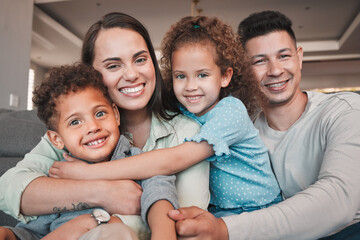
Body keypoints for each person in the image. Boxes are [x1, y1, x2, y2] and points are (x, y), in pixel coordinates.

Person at [0, 12, 210, 240]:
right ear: (91, 73)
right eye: (113, 65)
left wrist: (96, 219)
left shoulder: (186, 131)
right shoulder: (66, 143)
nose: (131, 74)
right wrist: (102, 192)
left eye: (140, 59)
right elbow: (10, 190)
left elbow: (183, 219)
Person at [48, 15, 282, 219]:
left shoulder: (230, 112)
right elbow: (16, 186)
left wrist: (89, 173)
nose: (191, 87)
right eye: (181, 76)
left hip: (257, 211)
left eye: (202, 75)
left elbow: (174, 159)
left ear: (225, 76)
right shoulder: (183, 109)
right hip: (219, 211)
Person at [162, 10, 360, 240]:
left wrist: (225, 228)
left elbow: (339, 202)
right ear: (245, 70)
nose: (275, 70)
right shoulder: (240, 123)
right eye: (260, 61)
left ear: (299, 57)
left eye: (284, 56)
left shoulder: (345, 110)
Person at [1, 63, 180, 240]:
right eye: (75, 122)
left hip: (108, 235)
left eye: (100, 114)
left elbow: (160, 195)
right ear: (57, 139)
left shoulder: (138, 163)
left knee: (115, 234)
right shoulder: (58, 174)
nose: (93, 127)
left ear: (115, 115)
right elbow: (35, 230)